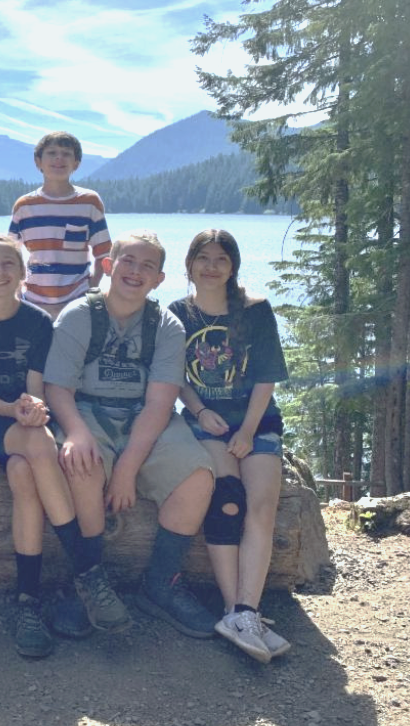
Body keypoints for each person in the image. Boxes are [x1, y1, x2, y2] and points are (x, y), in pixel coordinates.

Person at [43, 229, 217, 639]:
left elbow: (160, 403)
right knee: (80, 463)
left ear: (159, 278)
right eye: (128, 261)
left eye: (148, 266)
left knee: (197, 475)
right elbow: (57, 389)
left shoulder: (166, 326)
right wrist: (74, 431)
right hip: (87, 409)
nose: (136, 272)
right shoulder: (79, 315)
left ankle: (161, 584)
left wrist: (125, 471)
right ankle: (87, 582)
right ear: (108, 265)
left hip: (146, 417)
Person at [0, 234, 87, 657]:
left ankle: (27, 600)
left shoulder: (39, 322)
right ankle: (87, 570)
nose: (1, 272)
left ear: (25, 274)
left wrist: (35, 408)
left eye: (10, 264)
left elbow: (35, 387)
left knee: (24, 470)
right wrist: (23, 414)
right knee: (38, 441)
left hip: (26, 423)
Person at [169, 229, 291, 663]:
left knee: (261, 505)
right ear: (189, 264)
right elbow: (176, 378)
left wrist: (247, 430)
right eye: (203, 257)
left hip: (256, 422)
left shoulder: (255, 311)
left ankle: (245, 611)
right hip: (206, 421)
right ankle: (232, 610)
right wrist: (200, 411)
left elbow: (266, 375)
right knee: (228, 497)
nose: (212, 266)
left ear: (233, 266)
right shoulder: (177, 313)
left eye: (221, 259)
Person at [8, 131, 112, 320]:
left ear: (76, 164)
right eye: (52, 152)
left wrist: (92, 287)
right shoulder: (24, 206)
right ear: (38, 161)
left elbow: (104, 254)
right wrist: (16, 293)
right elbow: (9, 255)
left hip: (77, 300)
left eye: (66, 153)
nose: (59, 158)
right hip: (32, 301)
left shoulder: (89, 202)